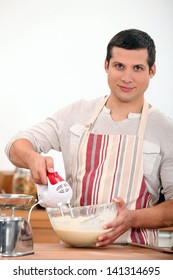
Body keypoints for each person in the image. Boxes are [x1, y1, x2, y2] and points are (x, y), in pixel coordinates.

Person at [5, 29, 173, 247]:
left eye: (138, 68)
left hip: (137, 254)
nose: (126, 77)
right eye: (119, 66)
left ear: (152, 71)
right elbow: (16, 144)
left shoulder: (165, 129)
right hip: (75, 254)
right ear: (106, 65)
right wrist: (32, 158)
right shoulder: (76, 114)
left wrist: (133, 218)